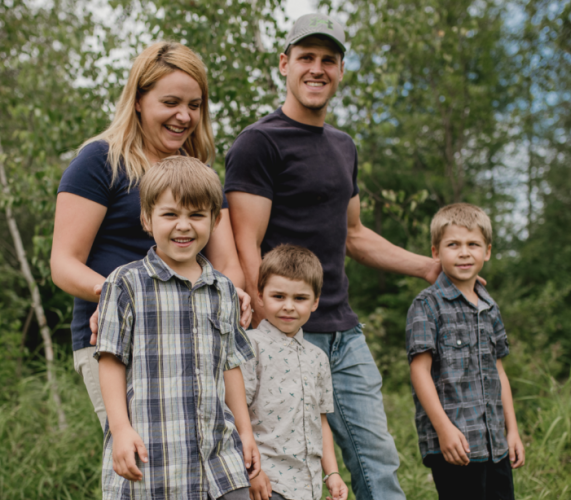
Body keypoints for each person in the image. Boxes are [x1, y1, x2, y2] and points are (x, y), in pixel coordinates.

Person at [224, 13, 439, 499]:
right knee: (286, 463)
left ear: (341, 70)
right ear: (285, 64)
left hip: (344, 332)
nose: (317, 69)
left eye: (329, 60)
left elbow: (355, 234)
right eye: (306, 58)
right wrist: (266, 332)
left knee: (376, 457)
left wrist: (428, 267)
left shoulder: (344, 146)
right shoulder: (259, 143)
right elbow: (245, 247)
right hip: (283, 330)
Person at [50, 41, 250, 429]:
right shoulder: (100, 161)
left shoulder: (198, 173)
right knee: (147, 459)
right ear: (139, 100)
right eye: (171, 102)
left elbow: (228, 265)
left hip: (191, 337)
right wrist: (122, 296)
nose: (184, 116)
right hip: (118, 343)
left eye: (194, 106)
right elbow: (63, 264)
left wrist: (226, 295)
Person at [95, 156, 259, 500]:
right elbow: (110, 360)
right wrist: (120, 429)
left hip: (218, 459)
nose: (183, 226)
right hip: (155, 457)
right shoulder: (125, 284)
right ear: (146, 218)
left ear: (214, 221)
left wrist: (246, 432)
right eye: (170, 214)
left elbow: (230, 367)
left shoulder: (224, 290)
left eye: (196, 215)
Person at [406, 204, 525, 500]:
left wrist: (512, 431)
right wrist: (444, 429)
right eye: (453, 245)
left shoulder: (490, 306)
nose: (464, 252)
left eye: (473, 244)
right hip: (455, 443)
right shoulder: (427, 305)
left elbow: (498, 372)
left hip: (494, 441)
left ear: (487, 251)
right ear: (436, 252)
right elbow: (419, 371)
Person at [240, 245, 348, 500]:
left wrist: (331, 472)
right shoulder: (249, 346)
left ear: (315, 302)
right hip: (267, 482)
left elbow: (320, 419)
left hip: (307, 485)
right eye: (278, 296)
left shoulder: (318, 358)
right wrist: (252, 473)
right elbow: (235, 413)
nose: (288, 306)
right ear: (260, 294)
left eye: (299, 298)